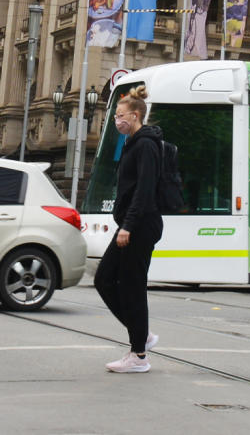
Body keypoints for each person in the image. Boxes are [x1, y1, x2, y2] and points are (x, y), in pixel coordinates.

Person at [94, 85, 164, 373]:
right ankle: (141, 335)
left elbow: (145, 191)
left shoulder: (146, 144)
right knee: (104, 279)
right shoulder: (134, 143)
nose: (116, 120)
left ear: (135, 116)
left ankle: (138, 356)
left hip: (140, 225)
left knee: (132, 287)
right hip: (131, 224)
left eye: (120, 115)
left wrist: (128, 226)